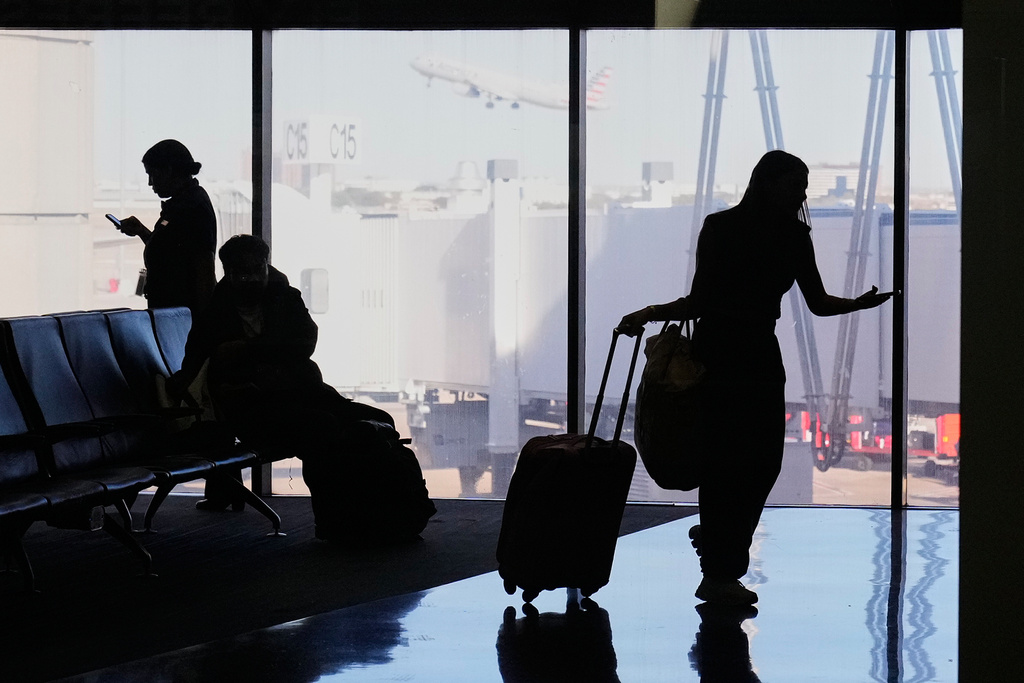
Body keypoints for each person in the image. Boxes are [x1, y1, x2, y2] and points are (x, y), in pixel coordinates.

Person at [618, 150, 892, 606]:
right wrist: (856, 305)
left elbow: (699, 302)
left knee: (725, 464)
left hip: (719, 356)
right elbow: (820, 303)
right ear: (768, 183)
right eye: (796, 184)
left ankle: (718, 553)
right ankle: (721, 567)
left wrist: (649, 313)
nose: (802, 193)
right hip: (757, 359)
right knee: (758, 465)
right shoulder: (791, 236)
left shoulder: (722, 228)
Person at [166, 234, 393, 511]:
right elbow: (196, 364)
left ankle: (383, 502)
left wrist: (247, 348)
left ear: (266, 266)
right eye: (242, 272)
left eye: (256, 270)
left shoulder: (286, 299)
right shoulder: (214, 314)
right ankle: (337, 513)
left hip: (303, 393)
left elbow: (305, 342)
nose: (250, 279)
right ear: (229, 273)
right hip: (254, 407)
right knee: (321, 426)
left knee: (379, 419)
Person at [114, 139, 217, 315]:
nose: (149, 183)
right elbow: (171, 250)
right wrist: (142, 232)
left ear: (168, 171)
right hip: (175, 315)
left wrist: (202, 326)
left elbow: (202, 269)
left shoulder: (192, 208)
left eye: (152, 174)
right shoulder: (183, 204)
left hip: (180, 317)